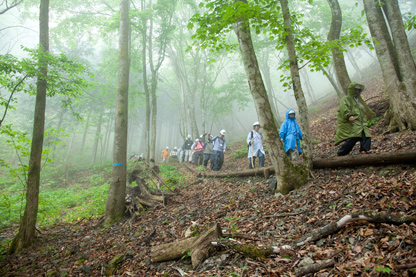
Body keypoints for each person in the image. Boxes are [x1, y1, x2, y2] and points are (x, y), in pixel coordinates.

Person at [335, 82, 371, 156]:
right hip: (351, 123)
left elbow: (362, 114)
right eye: (356, 89)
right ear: (352, 90)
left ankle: (364, 150)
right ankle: (341, 153)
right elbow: (344, 109)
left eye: (359, 90)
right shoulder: (346, 99)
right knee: (353, 137)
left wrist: (364, 122)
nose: (357, 91)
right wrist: (349, 116)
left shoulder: (357, 102)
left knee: (366, 135)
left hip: (360, 123)